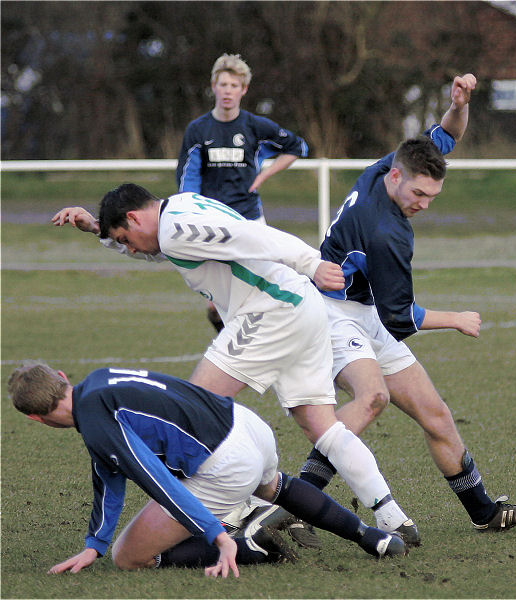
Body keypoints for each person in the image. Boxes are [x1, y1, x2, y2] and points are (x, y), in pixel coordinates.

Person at [52, 186, 420, 548]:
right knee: (321, 425)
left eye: (125, 238)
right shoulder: (179, 209)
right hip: (302, 307)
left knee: (192, 415)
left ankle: (245, 511)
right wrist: (100, 229)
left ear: (134, 217)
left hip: (270, 311)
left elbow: (253, 235)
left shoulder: (175, 229)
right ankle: (391, 516)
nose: (130, 248)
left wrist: (313, 263)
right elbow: (156, 248)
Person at [296, 73, 516, 533]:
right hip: (329, 312)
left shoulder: (388, 167)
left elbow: (444, 137)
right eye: (419, 195)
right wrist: (456, 319)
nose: (425, 205)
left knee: (436, 414)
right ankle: (295, 503)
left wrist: (460, 104)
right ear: (396, 178)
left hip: (362, 308)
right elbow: (401, 317)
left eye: (432, 196)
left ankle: (485, 513)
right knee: (372, 397)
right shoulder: (388, 232)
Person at [8, 363, 407, 576]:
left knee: (129, 557)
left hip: (226, 462)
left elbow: (156, 480)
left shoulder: (95, 423)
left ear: (36, 420)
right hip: (247, 425)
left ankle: (248, 542)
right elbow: (108, 473)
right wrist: (94, 542)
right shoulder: (97, 382)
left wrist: (218, 535)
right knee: (275, 487)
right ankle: (369, 536)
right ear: (62, 378)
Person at [176, 53, 308, 333]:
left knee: (262, 289)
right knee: (217, 303)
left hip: (249, 218)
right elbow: (187, 177)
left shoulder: (255, 126)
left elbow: (298, 147)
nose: (228, 91)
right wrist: (191, 212)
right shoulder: (198, 130)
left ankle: (266, 346)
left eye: (234, 86)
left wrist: (265, 174)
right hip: (212, 223)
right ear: (213, 86)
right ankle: (231, 355)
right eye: (223, 85)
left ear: (244, 90)